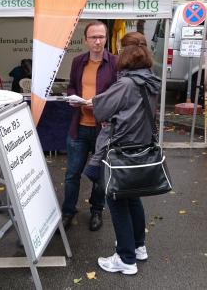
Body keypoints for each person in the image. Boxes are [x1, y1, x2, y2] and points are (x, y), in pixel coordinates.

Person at [85, 32, 160, 275]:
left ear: (125, 54)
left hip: (120, 151)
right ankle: (138, 247)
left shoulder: (126, 84)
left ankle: (126, 259)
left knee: (116, 200)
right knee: (133, 198)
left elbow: (102, 110)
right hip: (140, 148)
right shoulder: (151, 81)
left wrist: (93, 102)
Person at [61, 20, 117, 232]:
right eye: (93, 37)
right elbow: (72, 86)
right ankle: (68, 212)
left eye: (101, 37)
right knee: (72, 173)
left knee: (99, 174)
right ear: (85, 40)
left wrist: (100, 103)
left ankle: (96, 211)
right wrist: (72, 97)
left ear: (106, 38)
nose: (97, 41)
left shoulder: (114, 63)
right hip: (80, 126)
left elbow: (118, 94)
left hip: (103, 129)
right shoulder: (78, 62)